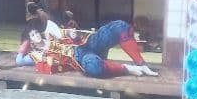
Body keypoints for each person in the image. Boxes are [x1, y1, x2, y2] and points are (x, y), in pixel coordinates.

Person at [15, 18, 156, 78]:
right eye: (32, 35)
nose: (36, 35)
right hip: (81, 57)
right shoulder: (36, 55)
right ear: (30, 41)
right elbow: (19, 61)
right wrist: (25, 43)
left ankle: (141, 64)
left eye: (36, 32)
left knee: (120, 26)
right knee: (93, 66)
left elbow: (70, 35)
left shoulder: (50, 34)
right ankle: (128, 68)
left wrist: (73, 34)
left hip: (88, 43)